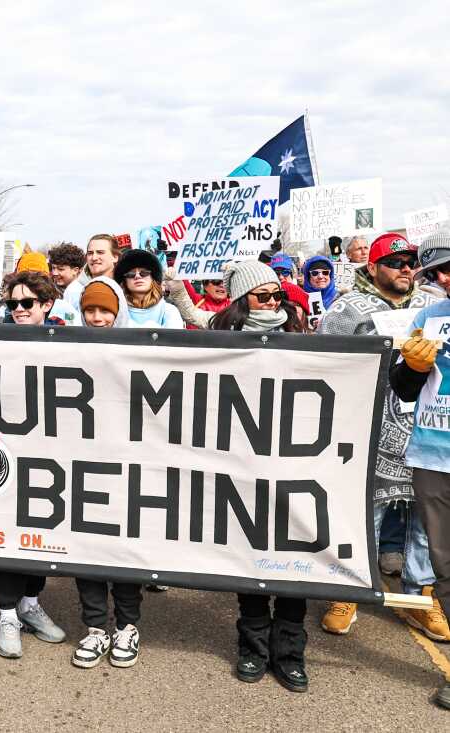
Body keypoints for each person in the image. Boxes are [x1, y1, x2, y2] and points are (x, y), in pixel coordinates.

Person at [318, 234, 446, 640]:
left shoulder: (433, 307)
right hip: (368, 427)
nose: (405, 268)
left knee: (427, 525)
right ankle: (349, 590)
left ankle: (420, 596)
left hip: (427, 432)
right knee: (362, 513)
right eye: (394, 261)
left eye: (410, 261)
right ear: (372, 267)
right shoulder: (346, 309)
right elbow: (323, 365)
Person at [208, 260, 309, 691]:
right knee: (249, 556)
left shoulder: (304, 338)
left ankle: (289, 652)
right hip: (241, 463)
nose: (273, 303)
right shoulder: (220, 341)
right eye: (263, 296)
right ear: (241, 300)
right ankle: (252, 647)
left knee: (295, 556)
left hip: (294, 464)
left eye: (277, 295)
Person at [0, 270, 68, 658]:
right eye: (13, 304)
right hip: (5, 451)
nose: (18, 310)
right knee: (5, 529)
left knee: (41, 529)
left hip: (48, 454)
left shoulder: (68, 339)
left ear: (46, 305)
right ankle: (6, 613)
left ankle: (30, 603)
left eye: (27, 303)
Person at [70, 276, 146, 668]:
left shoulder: (141, 348)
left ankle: (128, 626)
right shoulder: (66, 348)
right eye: (90, 310)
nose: (97, 318)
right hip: (82, 463)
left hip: (127, 464)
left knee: (123, 549)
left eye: (105, 311)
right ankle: (96, 627)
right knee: (87, 547)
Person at [389, 231, 450, 711]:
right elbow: (406, 391)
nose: (445, 278)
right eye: (438, 272)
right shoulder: (428, 315)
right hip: (433, 456)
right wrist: (409, 366)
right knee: (445, 567)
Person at [113, 249, 184, 329]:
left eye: (144, 273)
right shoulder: (115, 310)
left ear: (153, 278)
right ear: (124, 281)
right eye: (131, 274)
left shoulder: (169, 310)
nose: (137, 276)